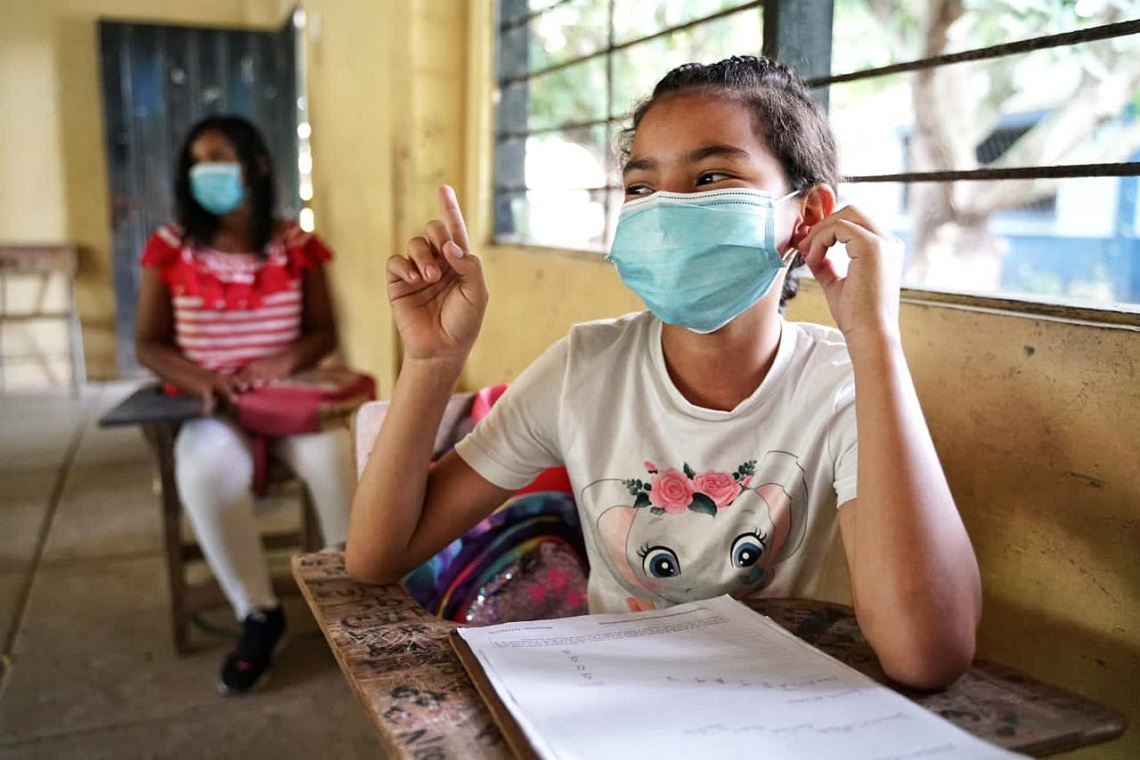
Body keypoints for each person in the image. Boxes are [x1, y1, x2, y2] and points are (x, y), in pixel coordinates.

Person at [347, 56, 982, 690]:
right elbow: (378, 555)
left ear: (808, 215)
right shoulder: (585, 370)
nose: (666, 213)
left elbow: (926, 654)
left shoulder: (843, 385)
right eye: (641, 187)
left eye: (711, 177)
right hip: (603, 698)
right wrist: (433, 362)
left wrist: (875, 340)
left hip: (772, 704)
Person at [135, 115, 353, 694]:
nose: (205, 172)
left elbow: (324, 332)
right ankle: (258, 613)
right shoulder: (171, 247)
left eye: (219, 158)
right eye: (196, 162)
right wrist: (200, 378)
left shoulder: (296, 246)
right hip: (214, 408)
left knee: (337, 459)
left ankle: (353, 594)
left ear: (255, 164)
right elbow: (148, 342)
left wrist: (279, 365)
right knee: (206, 474)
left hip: (287, 400)